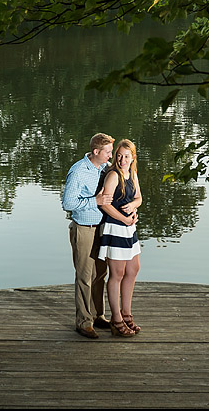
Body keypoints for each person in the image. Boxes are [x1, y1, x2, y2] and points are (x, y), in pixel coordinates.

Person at [61, 132, 115, 338]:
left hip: (102, 228)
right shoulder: (78, 171)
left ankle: (98, 315)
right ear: (96, 151)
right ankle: (83, 322)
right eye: (108, 151)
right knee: (84, 276)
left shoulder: (103, 168)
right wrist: (96, 201)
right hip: (83, 229)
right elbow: (68, 204)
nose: (110, 155)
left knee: (100, 274)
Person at [96, 138, 143, 337]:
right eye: (119, 156)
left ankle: (127, 313)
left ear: (133, 157)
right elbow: (104, 204)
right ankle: (116, 320)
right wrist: (124, 219)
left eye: (126, 156)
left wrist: (133, 207)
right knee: (117, 274)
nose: (122, 160)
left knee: (133, 269)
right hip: (115, 227)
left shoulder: (131, 173)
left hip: (129, 228)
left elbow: (139, 197)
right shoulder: (113, 175)